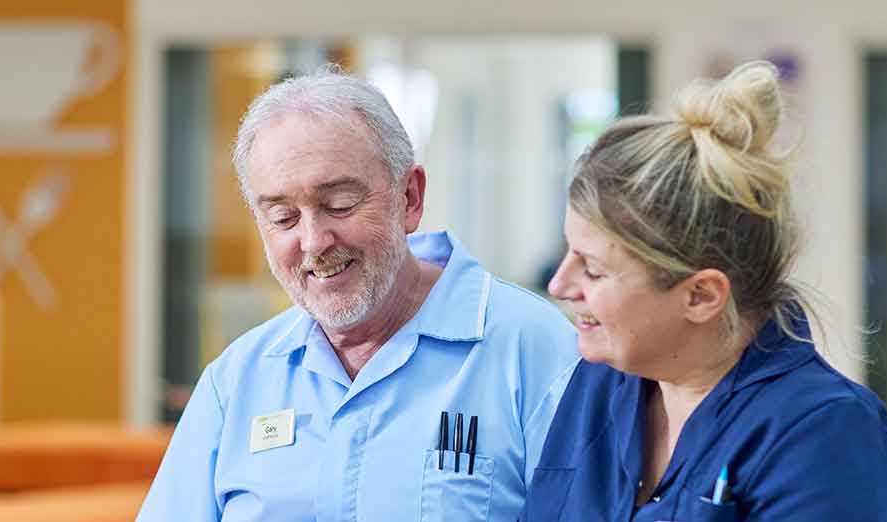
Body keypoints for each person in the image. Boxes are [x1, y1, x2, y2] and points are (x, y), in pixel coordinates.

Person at [136, 66, 581, 521]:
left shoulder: (537, 352)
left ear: (409, 197)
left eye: (340, 205)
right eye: (284, 217)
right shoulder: (235, 381)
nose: (313, 241)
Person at [526, 61, 887, 521]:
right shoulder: (600, 383)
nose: (559, 285)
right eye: (568, 253)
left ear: (702, 296)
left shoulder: (827, 434)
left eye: (592, 270)